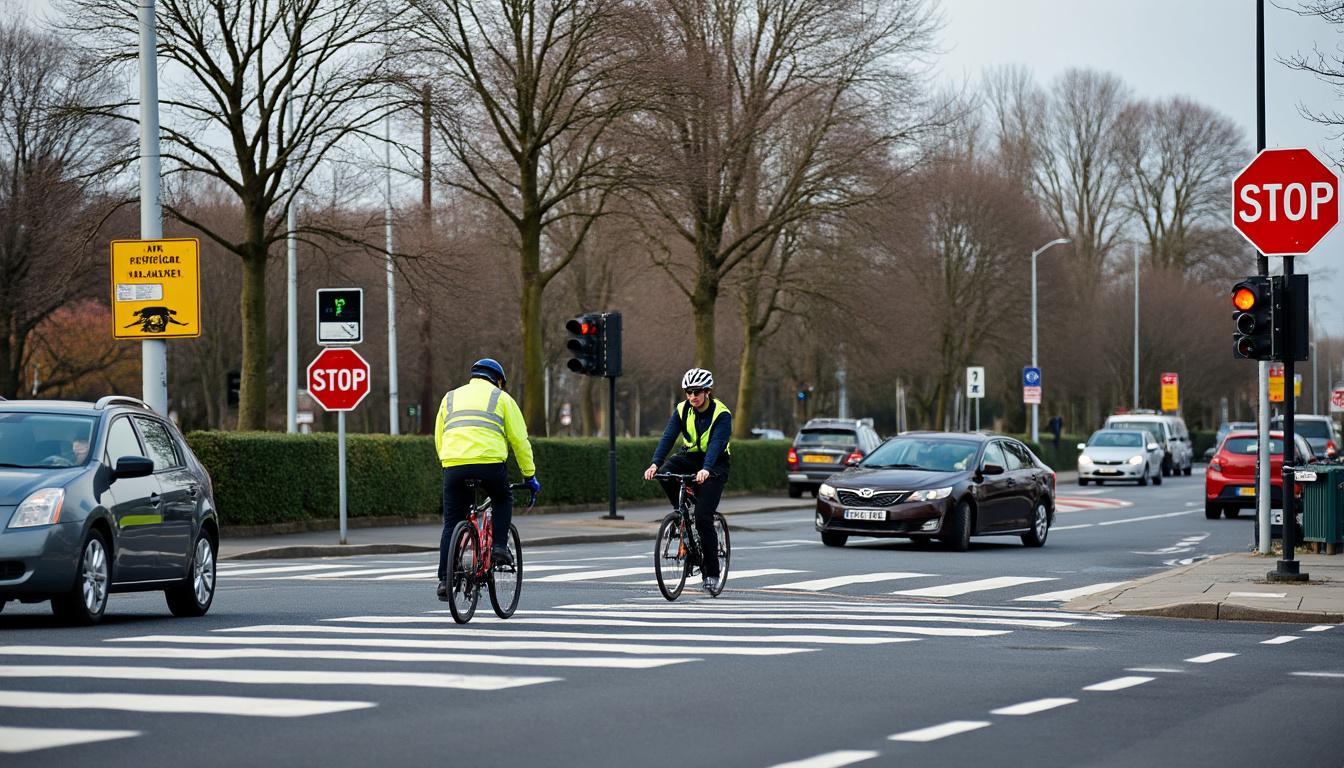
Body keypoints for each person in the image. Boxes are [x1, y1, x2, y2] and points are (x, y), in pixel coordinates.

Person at [433, 358, 540, 601]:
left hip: (454, 465)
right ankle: (500, 548)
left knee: (452, 521)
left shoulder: (449, 397)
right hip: (490, 465)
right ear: (498, 380)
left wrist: (448, 462)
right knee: (502, 498)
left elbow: (439, 436)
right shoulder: (502, 399)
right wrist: (529, 475)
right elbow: (520, 441)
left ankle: (444, 579)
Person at [643, 367, 732, 593]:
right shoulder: (682, 410)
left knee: (703, 518)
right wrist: (654, 463)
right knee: (666, 472)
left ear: (707, 391)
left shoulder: (722, 414)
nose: (692, 396)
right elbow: (668, 436)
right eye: (688, 392)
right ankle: (681, 512)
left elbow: (716, 445)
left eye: (697, 392)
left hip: (715, 463)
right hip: (690, 457)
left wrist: (707, 469)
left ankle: (711, 573)